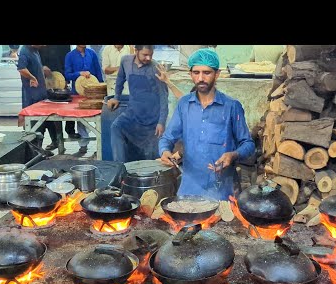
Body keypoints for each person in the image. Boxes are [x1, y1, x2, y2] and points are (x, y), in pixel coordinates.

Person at [158, 48, 255, 201]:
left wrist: (233, 154)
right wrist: (164, 151)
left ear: (217, 74)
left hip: (222, 189)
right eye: (196, 73)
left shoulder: (231, 106)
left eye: (207, 73)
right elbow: (167, 138)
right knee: (185, 224)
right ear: (190, 74)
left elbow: (248, 144)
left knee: (223, 224)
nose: (201, 78)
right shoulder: (184, 105)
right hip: (189, 188)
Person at [107, 45, 168, 162]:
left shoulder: (156, 68)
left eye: (151, 55)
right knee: (116, 127)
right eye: (145, 55)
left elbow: (164, 97)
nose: (148, 58)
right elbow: (120, 79)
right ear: (136, 51)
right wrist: (116, 97)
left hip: (152, 119)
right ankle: (120, 168)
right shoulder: (125, 61)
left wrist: (161, 122)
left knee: (152, 155)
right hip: (133, 113)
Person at [39, 45, 80, 150]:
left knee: (68, 104)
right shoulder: (40, 47)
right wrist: (42, 66)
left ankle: (70, 130)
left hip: (61, 78)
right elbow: (36, 58)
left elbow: (66, 60)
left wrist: (65, 78)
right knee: (50, 111)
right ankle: (55, 140)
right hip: (46, 80)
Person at [65, 45, 104, 155]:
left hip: (94, 94)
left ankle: (99, 146)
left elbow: (98, 72)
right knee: (81, 120)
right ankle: (83, 145)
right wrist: (79, 73)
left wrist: (101, 89)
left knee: (98, 119)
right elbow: (67, 75)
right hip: (78, 93)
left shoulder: (92, 54)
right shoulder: (70, 56)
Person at [17, 45, 55, 151]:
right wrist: (32, 77)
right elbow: (21, 69)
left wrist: (42, 69)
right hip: (32, 96)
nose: (43, 46)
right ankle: (33, 153)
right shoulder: (24, 50)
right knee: (34, 126)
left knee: (43, 124)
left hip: (41, 94)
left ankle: (40, 151)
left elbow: (33, 66)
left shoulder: (35, 51)